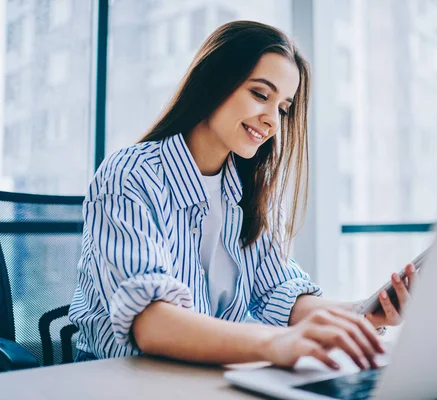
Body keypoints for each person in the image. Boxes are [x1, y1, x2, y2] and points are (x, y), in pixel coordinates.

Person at [68, 20, 416, 371]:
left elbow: (282, 294)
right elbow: (152, 325)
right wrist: (278, 344)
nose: (272, 122)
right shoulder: (130, 175)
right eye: (260, 95)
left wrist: (366, 313)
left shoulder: (246, 192)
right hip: (125, 380)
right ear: (214, 82)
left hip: (208, 378)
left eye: (282, 108)